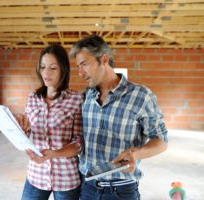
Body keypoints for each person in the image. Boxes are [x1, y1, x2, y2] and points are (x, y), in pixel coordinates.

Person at [69, 35, 169, 200]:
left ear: (104, 59)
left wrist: (136, 154)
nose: (80, 73)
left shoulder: (141, 95)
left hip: (121, 192)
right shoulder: (86, 96)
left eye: (84, 64)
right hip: (87, 188)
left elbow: (161, 141)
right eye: (78, 67)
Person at [17, 44, 83, 200]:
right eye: (43, 67)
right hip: (36, 174)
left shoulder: (76, 99)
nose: (46, 73)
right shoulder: (33, 97)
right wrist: (22, 130)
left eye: (53, 68)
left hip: (66, 178)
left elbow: (80, 143)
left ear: (63, 70)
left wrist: (54, 154)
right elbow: (28, 132)